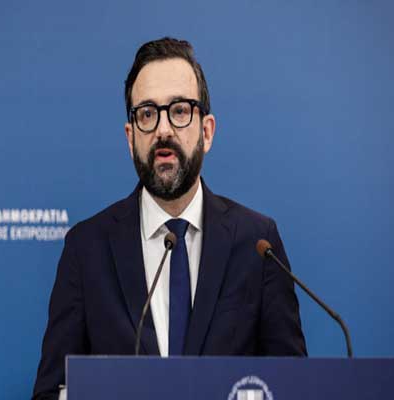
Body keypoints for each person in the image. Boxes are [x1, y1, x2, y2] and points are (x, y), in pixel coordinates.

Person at [32, 37, 306, 400]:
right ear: (130, 138)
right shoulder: (87, 248)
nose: (163, 130)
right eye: (147, 114)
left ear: (206, 131)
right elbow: (51, 392)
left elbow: (293, 385)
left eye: (179, 110)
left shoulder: (258, 242)